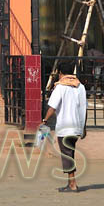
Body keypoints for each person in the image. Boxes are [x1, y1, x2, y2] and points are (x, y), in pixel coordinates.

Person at [42, 58, 88, 192]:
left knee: (67, 155)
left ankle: (73, 184)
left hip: (65, 127)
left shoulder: (60, 87)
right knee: (70, 153)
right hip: (76, 127)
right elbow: (84, 107)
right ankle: (70, 182)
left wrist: (44, 120)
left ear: (60, 73)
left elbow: (52, 107)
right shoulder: (80, 87)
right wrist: (83, 127)